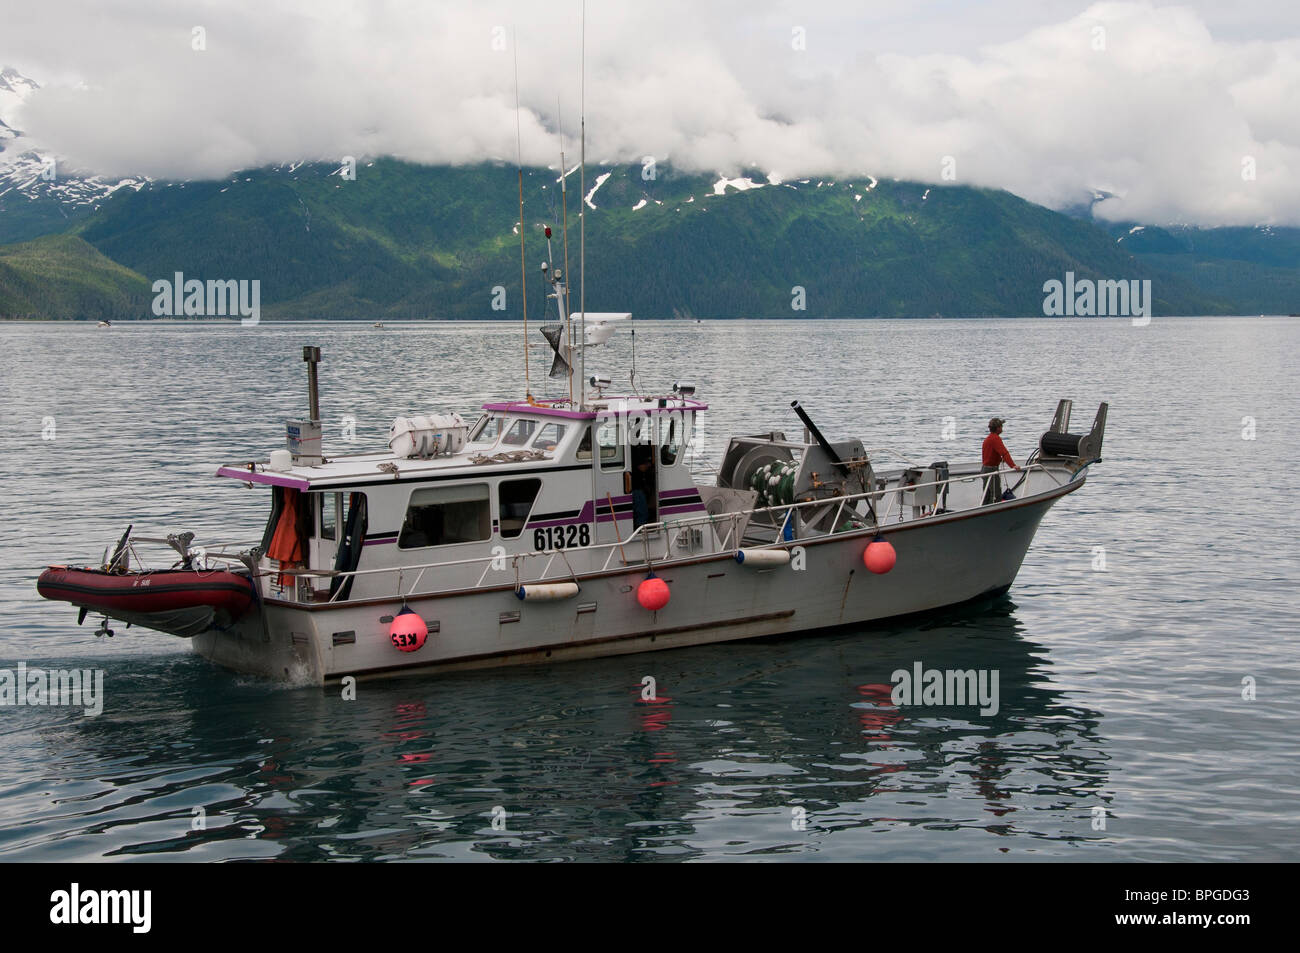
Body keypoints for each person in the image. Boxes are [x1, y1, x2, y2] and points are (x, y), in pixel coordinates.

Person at [981, 417, 1020, 505]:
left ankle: (984, 508)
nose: (1002, 428)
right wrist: (1013, 465)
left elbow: (990, 454)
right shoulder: (995, 439)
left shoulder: (988, 438)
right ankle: (993, 510)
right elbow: (1004, 453)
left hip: (984, 469)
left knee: (987, 494)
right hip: (991, 469)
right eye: (1001, 426)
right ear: (998, 428)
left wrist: (999, 459)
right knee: (996, 494)